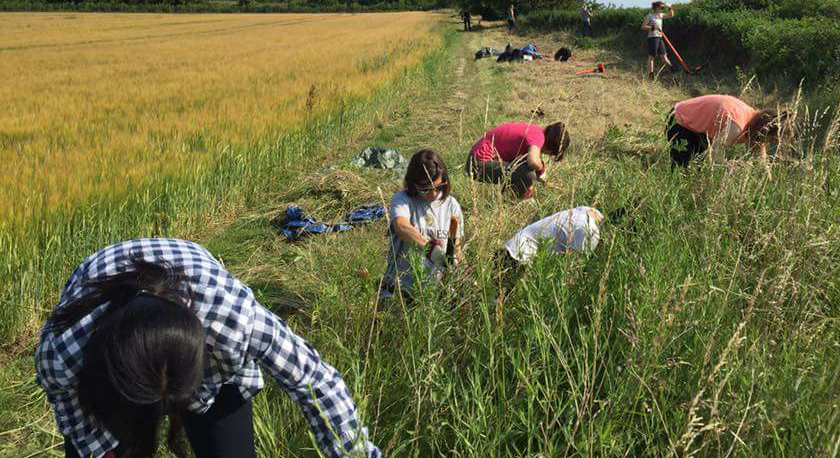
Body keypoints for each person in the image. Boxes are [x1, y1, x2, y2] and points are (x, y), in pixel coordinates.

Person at [36, 238, 381, 458]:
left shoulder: (235, 321)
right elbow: (74, 415)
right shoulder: (64, 353)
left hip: (202, 308)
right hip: (110, 366)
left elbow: (316, 382)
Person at [380, 149, 464, 301]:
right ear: (413, 184)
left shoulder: (452, 205)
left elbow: (456, 247)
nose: (433, 194)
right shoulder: (403, 200)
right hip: (400, 292)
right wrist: (431, 251)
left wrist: (458, 265)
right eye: (425, 189)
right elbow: (401, 227)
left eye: (438, 186)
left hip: (436, 297)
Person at [666, 94, 787, 169]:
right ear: (764, 130)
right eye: (772, 138)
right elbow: (715, 154)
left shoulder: (754, 118)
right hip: (679, 120)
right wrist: (729, 167)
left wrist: (767, 177)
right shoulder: (737, 127)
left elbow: (761, 155)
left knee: (698, 166)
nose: (772, 142)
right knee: (682, 169)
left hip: (697, 127)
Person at [466, 122, 569, 199]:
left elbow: (522, 164)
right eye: (551, 154)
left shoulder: (535, 131)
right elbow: (533, 161)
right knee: (528, 175)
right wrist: (541, 170)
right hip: (478, 164)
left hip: (475, 160)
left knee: (524, 170)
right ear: (551, 149)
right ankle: (509, 203)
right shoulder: (538, 137)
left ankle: (508, 199)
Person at [501, 206, 603, 267]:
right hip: (520, 259)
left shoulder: (587, 211)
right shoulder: (590, 232)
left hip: (511, 247)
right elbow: (572, 268)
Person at [641, 1, 675, 79]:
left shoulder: (661, 15)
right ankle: (651, 75)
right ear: (656, 8)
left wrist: (670, 8)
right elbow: (643, 27)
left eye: (663, 8)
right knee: (652, 56)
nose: (663, 9)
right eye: (662, 7)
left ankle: (673, 70)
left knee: (664, 55)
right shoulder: (650, 16)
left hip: (659, 37)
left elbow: (671, 15)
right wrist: (652, 28)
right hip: (652, 38)